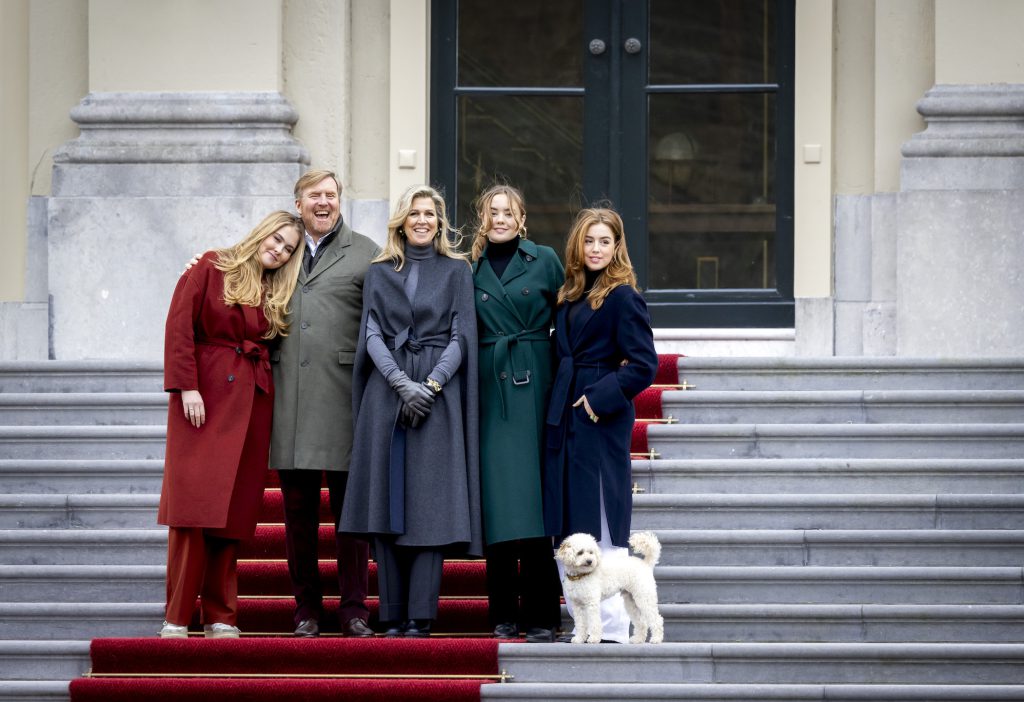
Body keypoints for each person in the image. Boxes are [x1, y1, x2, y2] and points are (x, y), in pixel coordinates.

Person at [340, 184, 481, 638]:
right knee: (386, 499)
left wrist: (432, 385)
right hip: (387, 394)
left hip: (438, 397)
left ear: (440, 222)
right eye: (414, 213)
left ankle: (421, 615)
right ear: (401, 220)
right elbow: (373, 334)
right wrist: (401, 385)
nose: (422, 220)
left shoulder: (457, 270)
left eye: (430, 213)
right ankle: (392, 614)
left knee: (430, 504)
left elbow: (462, 336)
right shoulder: (379, 272)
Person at [158, 210, 304, 639]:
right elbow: (179, 328)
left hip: (252, 403)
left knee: (232, 515)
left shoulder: (276, 290)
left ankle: (221, 615)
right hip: (204, 401)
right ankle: (178, 616)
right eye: (276, 240)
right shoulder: (210, 266)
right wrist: (187, 387)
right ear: (262, 233)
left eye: (288, 249)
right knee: (193, 511)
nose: (278, 250)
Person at [542, 207, 658, 644]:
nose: (595, 249)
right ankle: (582, 622)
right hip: (563, 417)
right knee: (570, 518)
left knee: (600, 517)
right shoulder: (569, 294)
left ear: (616, 247)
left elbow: (644, 364)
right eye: (589, 241)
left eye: (604, 241)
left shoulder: (624, 297)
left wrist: (599, 398)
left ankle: (610, 628)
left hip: (598, 417)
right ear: (578, 244)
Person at [271, 170, 379, 638]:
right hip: (290, 400)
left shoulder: (367, 251)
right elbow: (234, 273)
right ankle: (307, 610)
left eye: (331, 195)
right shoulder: (280, 247)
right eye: (314, 195)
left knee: (350, 516)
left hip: (344, 398)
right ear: (298, 203)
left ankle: (354, 608)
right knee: (298, 515)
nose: (324, 203)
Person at [470, 184, 564, 643]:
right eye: (493, 212)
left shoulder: (544, 259)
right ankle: (503, 612)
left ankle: (544, 613)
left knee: (535, 502)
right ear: (483, 219)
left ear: (521, 217)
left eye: (508, 211)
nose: (501, 219)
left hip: (537, 381)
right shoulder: (470, 269)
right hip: (492, 388)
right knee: (500, 504)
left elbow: (567, 321)